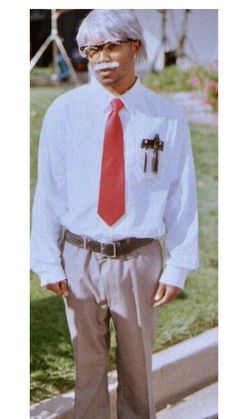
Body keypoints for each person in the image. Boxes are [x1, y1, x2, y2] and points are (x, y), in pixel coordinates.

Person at [30, 9, 199, 419]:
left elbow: (181, 192)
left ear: (135, 47)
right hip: (80, 256)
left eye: (111, 46)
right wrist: (47, 263)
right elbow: (49, 191)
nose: (101, 58)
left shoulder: (164, 116)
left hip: (138, 259)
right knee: (87, 366)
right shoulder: (65, 113)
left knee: (138, 367)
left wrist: (178, 266)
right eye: (91, 49)